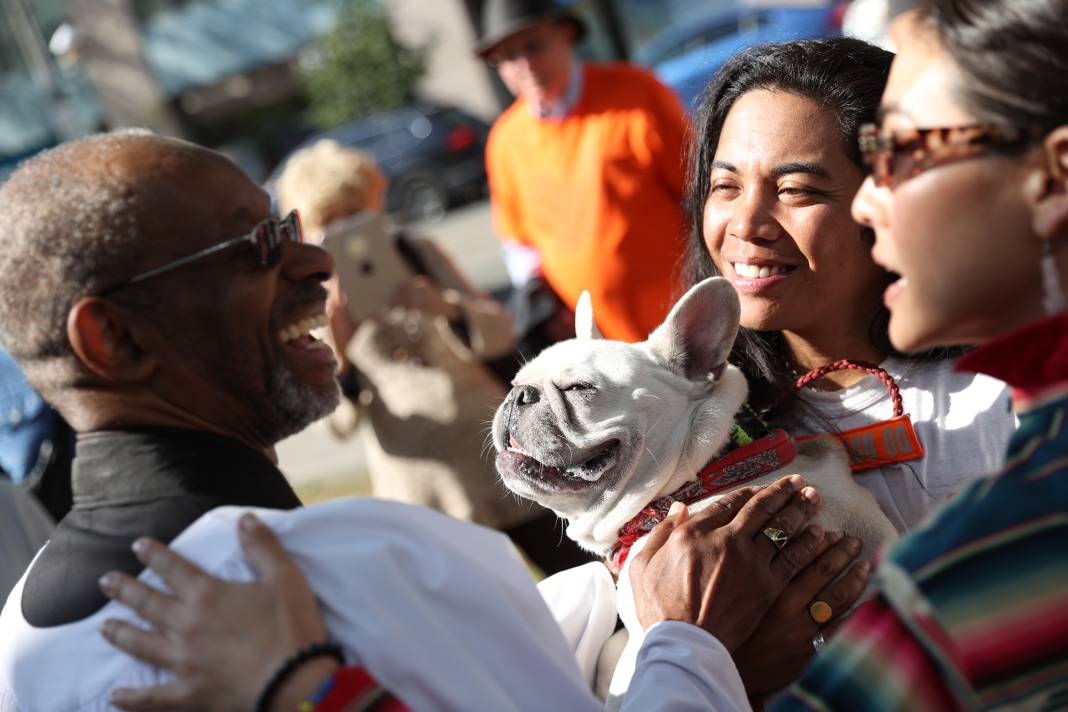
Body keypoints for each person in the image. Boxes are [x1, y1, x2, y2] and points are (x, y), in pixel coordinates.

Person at [0, 129, 835, 711]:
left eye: (289, 226)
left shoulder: (16, 648)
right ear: (112, 337)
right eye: (254, 243)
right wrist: (689, 637)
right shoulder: (375, 567)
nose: (316, 259)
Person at [682, 37, 1015, 536]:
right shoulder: (694, 436)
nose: (747, 223)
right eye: (725, 186)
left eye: (796, 190)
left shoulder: (1006, 389)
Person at [275, 139, 592, 573]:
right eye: (331, 223)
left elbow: (500, 333)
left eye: (356, 214)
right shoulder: (312, 303)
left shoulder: (415, 253)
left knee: (584, 578)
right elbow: (334, 424)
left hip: (500, 455)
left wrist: (445, 307)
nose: (348, 233)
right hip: (426, 492)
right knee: (487, 621)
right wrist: (339, 346)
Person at [478, 0, 690, 345]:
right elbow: (519, 244)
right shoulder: (505, 139)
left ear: (565, 35)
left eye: (534, 46)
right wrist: (543, 303)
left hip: (681, 325)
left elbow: (699, 196)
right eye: (508, 57)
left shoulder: (636, 92)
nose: (525, 65)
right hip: (600, 346)